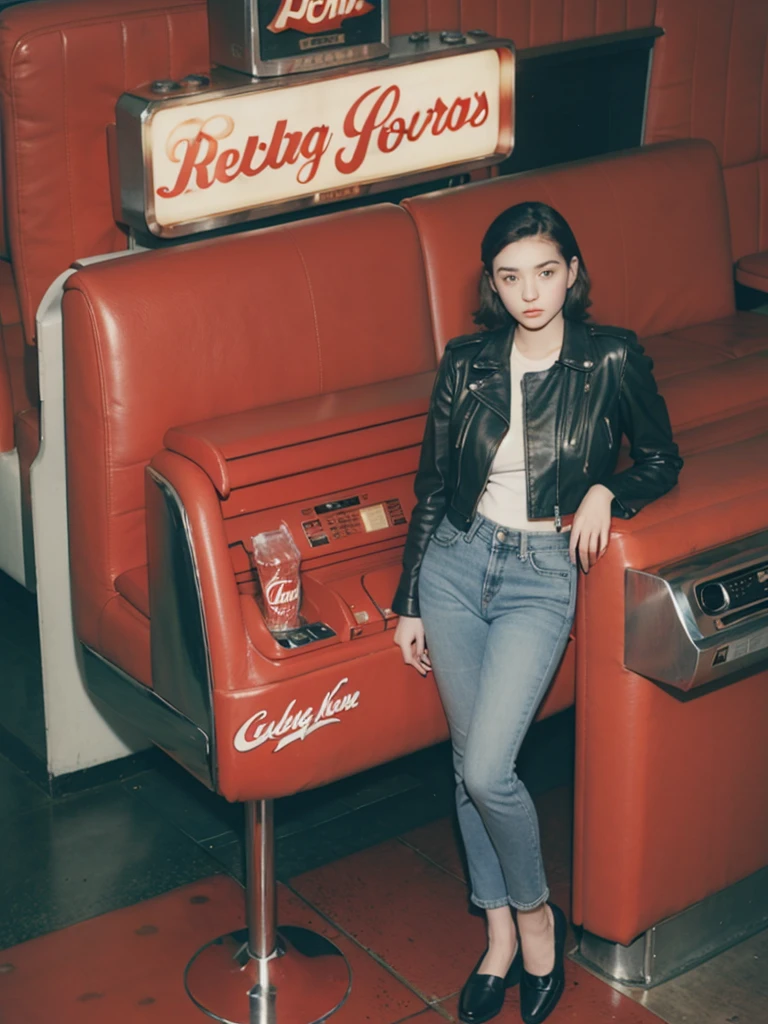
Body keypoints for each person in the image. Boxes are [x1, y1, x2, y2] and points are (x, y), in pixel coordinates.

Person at [392, 202, 682, 1024]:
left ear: (573, 273)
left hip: (540, 572)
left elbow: (662, 457)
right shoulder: (467, 364)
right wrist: (410, 598)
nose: (530, 292)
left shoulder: (612, 359)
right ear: (492, 283)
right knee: (464, 763)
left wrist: (606, 487)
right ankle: (497, 936)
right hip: (455, 564)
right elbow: (435, 490)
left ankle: (535, 918)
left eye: (546, 272)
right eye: (511, 277)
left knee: (489, 767)